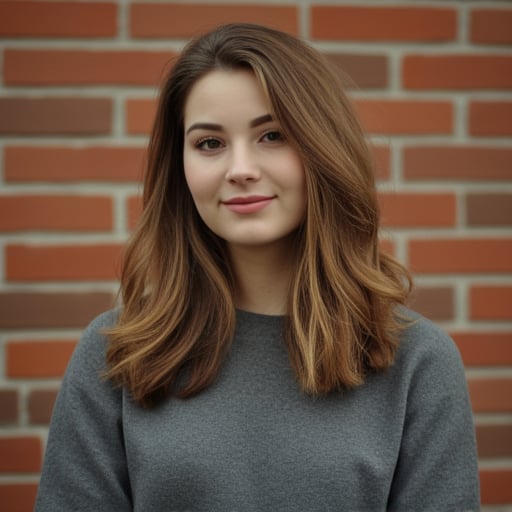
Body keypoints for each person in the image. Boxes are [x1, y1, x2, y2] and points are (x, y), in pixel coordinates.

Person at [35, 23, 480, 511]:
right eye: (209, 143)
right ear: (180, 168)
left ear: (323, 149)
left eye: (272, 135)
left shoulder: (416, 362)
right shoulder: (119, 355)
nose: (240, 168)